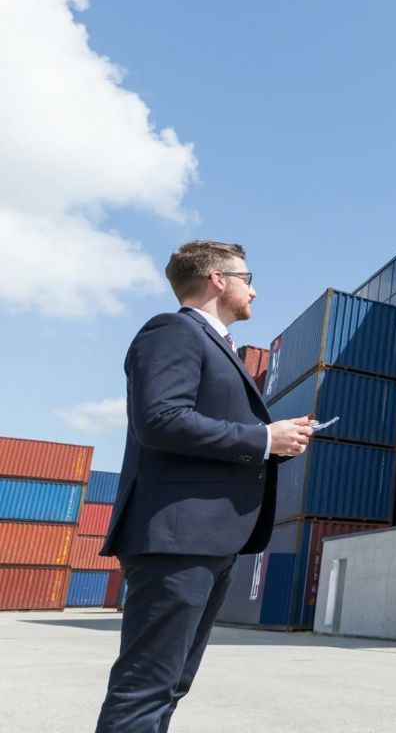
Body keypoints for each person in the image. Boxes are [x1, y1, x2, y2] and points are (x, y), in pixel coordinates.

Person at [95, 241, 316, 732]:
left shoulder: (217, 345)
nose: (254, 290)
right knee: (145, 689)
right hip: (177, 539)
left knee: (170, 686)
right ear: (218, 278)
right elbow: (161, 420)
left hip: (207, 541)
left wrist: (275, 441)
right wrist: (263, 437)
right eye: (248, 278)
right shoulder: (172, 330)